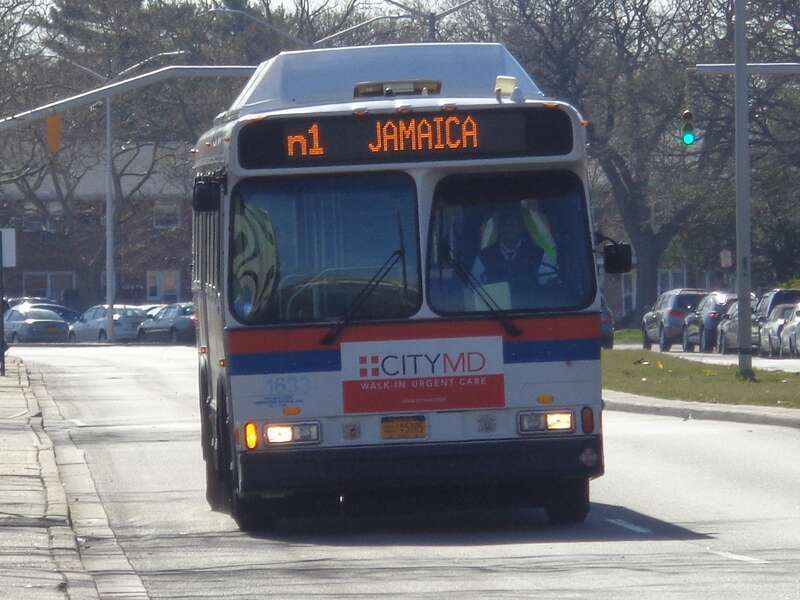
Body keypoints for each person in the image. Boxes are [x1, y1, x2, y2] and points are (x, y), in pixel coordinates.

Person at [471, 202, 557, 302]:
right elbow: (474, 287)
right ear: (500, 228)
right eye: (506, 224)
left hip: (531, 310)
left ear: (521, 228)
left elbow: (549, 286)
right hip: (495, 309)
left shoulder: (539, 254)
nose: (510, 228)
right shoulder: (483, 257)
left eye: (514, 224)